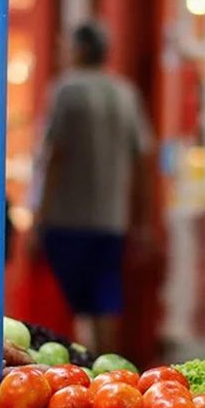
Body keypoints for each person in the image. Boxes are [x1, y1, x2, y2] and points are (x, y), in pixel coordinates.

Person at [28, 23, 155, 355]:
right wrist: (142, 221)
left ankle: (71, 382)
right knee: (105, 306)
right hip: (111, 219)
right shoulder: (125, 93)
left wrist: (37, 217)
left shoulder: (67, 90)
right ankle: (108, 378)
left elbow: (55, 155)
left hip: (66, 217)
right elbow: (143, 161)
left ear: (81, 49)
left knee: (62, 314)